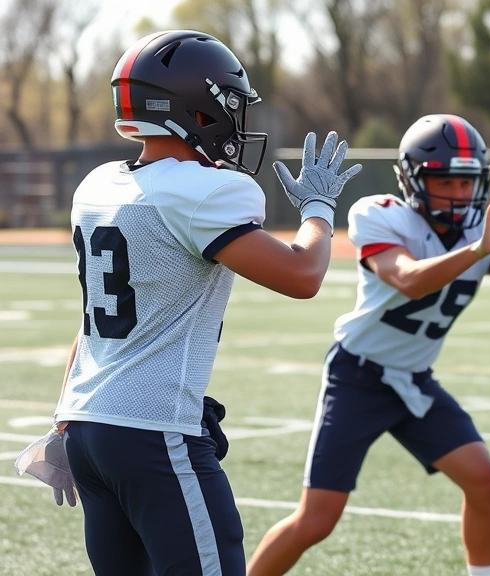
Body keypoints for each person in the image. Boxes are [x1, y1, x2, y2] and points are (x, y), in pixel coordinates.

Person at [16, 30, 361, 576]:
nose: (236, 120)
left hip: (85, 428)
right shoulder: (205, 190)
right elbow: (302, 275)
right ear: (198, 110)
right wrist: (318, 209)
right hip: (151, 432)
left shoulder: (98, 186)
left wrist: (65, 417)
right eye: (229, 105)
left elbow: (90, 325)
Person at [246, 113, 490, 576]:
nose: (458, 193)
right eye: (445, 181)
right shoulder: (381, 214)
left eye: (466, 182)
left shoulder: (484, 228)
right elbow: (407, 280)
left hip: (414, 381)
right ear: (412, 180)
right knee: (317, 519)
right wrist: (478, 250)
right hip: (358, 377)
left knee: (485, 482)